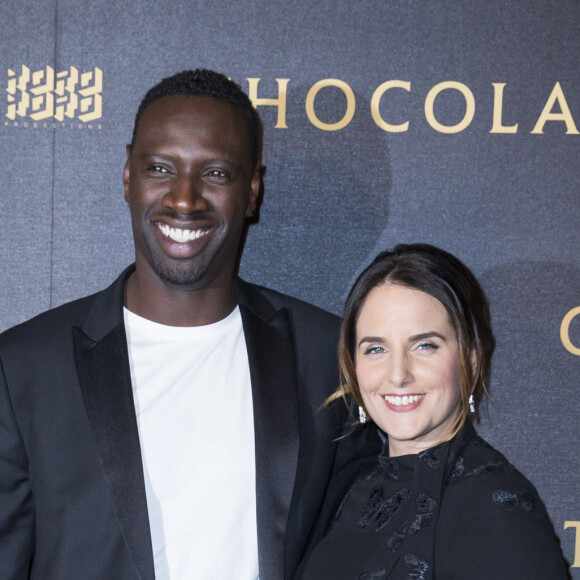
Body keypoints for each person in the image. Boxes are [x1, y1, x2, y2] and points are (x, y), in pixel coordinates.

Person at [0, 69, 376, 580]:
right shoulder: (24, 368)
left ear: (252, 191)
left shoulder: (327, 357)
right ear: (128, 177)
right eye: (160, 168)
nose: (184, 199)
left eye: (216, 173)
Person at [296, 243, 569, 579]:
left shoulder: (494, 508)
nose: (398, 374)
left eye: (424, 346)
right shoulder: (347, 488)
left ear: (470, 358)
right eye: (376, 348)